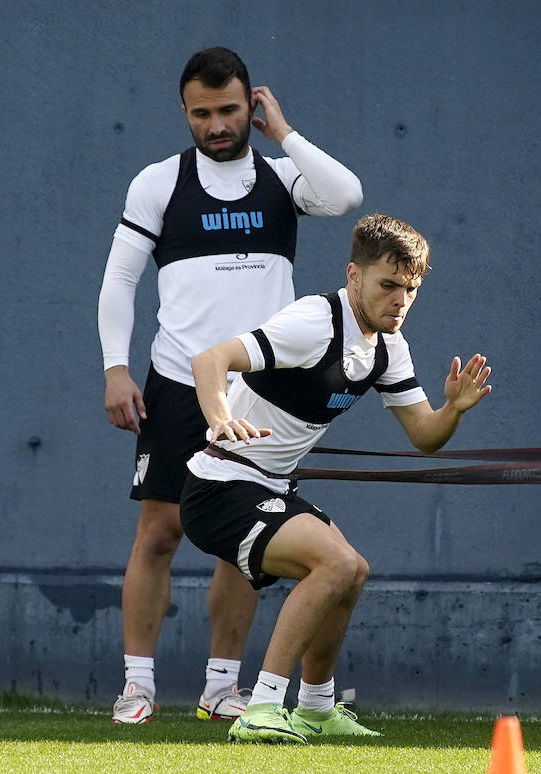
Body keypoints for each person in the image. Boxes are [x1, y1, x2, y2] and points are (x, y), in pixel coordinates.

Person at [97, 46, 363, 725]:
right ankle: (137, 685)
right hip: (179, 380)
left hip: (261, 393)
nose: (216, 125)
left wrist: (288, 135)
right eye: (202, 113)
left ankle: (222, 687)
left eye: (230, 110)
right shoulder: (158, 183)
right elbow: (121, 279)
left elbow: (346, 196)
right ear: (185, 113)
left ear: (253, 105)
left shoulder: (281, 178)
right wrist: (115, 367)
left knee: (244, 544)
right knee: (158, 533)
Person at [182, 213, 493, 743]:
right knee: (335, 561)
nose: (400, 300)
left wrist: (454, 408)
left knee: (354, 571)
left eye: (410, 289)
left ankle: (317, 708)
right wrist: (218, 416)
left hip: (270, 487)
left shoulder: (388, 347)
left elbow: (423, 435)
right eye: (388, 285)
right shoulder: (314, 322)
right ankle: (260, 709)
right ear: (354, 276)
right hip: (220, 487)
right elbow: (211, 358)